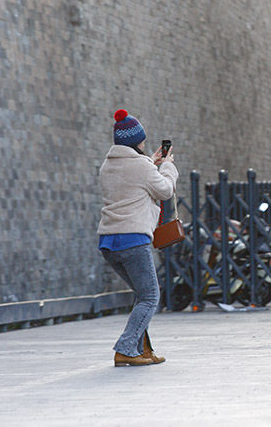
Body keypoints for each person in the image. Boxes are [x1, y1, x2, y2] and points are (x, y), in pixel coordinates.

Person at [97, 109, 178, 366]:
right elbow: (164, 190)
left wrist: (151, 164)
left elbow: (133, 179)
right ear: (137, 141)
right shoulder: (142, 166)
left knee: (141, 295)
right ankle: (126, 349)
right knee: (150, 297)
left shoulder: (107, 165)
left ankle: (143, 350)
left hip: (109, 242)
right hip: (134, 241)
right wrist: (167, 167)